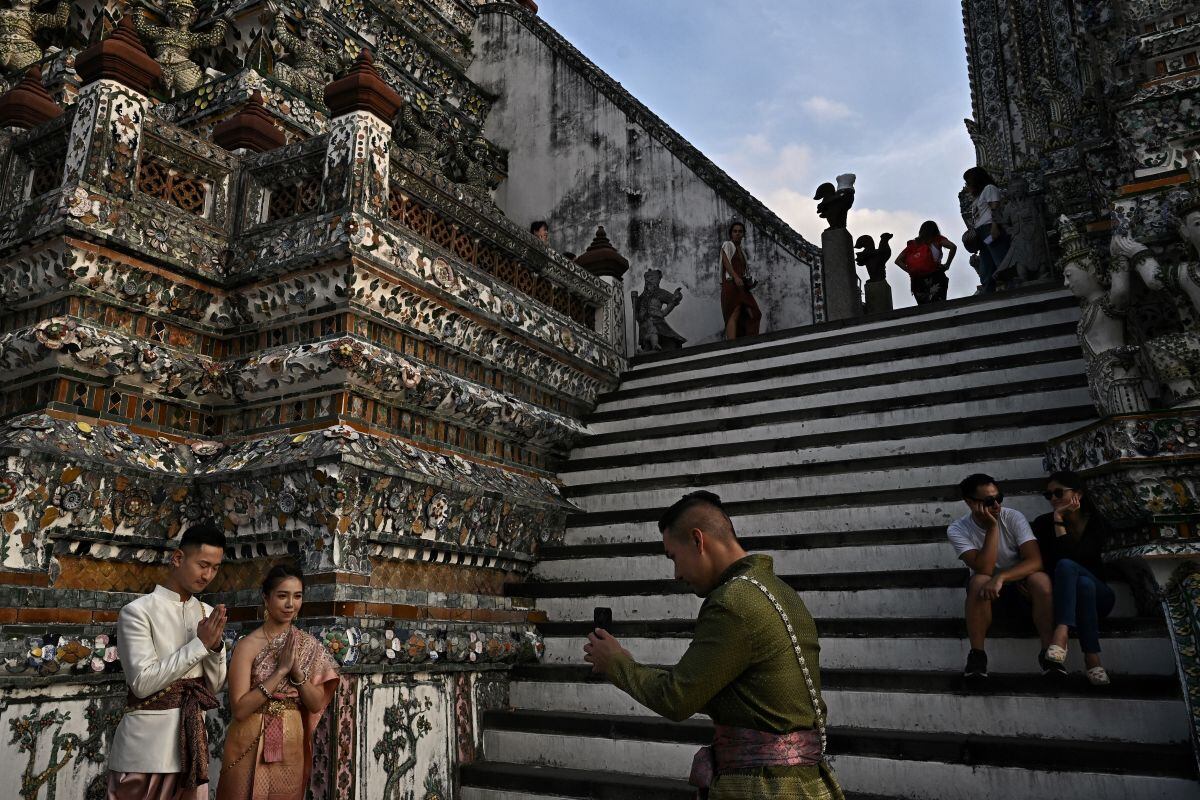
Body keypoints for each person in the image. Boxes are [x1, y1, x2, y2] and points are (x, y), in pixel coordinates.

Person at [584, 491, 844, 799]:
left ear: (698, 540)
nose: (677, 573)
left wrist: (616, 664)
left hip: (764, 788)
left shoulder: (732, 602)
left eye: (673, 557)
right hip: (804, 783)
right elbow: (713, 689)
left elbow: (677, 698)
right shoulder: (780, 592)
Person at [106, 523, 228, 800]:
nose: (208, 575)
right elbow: (142, 683)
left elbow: (215, 686)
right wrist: (200, 645)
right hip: (145, 751)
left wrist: (217, 647)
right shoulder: (137, 612)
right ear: (178, 558)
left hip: (192, 748)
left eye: (216, 568)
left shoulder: (207, 613)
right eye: (203, 565)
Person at [217, 563, 340, 799]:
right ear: (266, 598)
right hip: (248, 737)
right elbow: (240, 709)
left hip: (290, 740)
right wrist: (280, 672)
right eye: (282, 596)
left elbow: (316, 704)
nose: (290, 604)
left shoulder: (307, 645)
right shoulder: (247, 646)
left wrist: (297, 674)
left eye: (297, 596)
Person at [947, 473, 1058, 680]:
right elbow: (985, 569)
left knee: (1040, 579)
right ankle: (977, 656)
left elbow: (1035, 561)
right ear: (970, 503)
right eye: (989, 501)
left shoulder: (1013, 517)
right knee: (979, 580)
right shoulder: (957, 529)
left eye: (999, 498)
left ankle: (1049, 654)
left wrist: (1002, 578)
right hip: (987, 597)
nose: (997, 505)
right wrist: (991, 528)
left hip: (1020, 589)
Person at [1031, 471, 1116, 686]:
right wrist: (1058, 520)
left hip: (1101, 597)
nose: (1053, 499)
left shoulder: (1097, 523)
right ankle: (1092, 659)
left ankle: (1061, 632)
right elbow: (1051, 561)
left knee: (1072, 569)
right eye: (1048, 495)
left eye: (1058, 493)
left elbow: (1075, 559)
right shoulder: (1043, 524)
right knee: (1082, 584)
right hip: (1074, 597)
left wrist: (1059, 521)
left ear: (1078, 493)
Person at [962, 166, 1009, 293]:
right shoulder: (977, 198)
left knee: (1000, 259)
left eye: (968, 183)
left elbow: (995, 206)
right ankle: (988, 291)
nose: (967, 186)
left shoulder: (989, 189)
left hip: (990, 228)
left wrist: (995, 226)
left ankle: (1011, 287)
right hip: (982, 234)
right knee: (986, 264)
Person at [895, 220, 956, 304]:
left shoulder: (913, 245)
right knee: (938, 306)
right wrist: (947, 264)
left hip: (917, 281)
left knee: (924, 309)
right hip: (936, 277)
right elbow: (953, 247)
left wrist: (910, 271)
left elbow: (898, 261)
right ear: (935, 230)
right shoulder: (937, 239)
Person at [720, 221, 762, 340]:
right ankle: (732, 346)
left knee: (754, 312)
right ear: (731, 234)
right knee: (734, 312)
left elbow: (743, 271)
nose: (737, 234)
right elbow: (726, 261)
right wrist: (735, 276)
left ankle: (749, 340)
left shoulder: (742, 251)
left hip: (741, 286)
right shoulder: (728, 245)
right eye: (735, 231)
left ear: (743, 234)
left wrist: (748, 283)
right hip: (731, 284)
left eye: (740, 231)